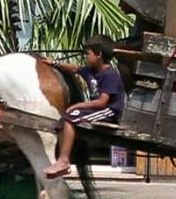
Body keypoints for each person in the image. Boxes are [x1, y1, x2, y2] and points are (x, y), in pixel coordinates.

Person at [43, 34, 125, 179]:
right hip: (98, 109)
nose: (86, 57)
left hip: (108, 112)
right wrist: (54, 64)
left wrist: (77, 106)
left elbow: (102, 102)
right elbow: (74, 69)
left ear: (98, 54)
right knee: (64, 119)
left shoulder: (110, 75)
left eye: (88, 53)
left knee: (70, 118)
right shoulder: (91, 70)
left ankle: (64, 160)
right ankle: (62, 158)